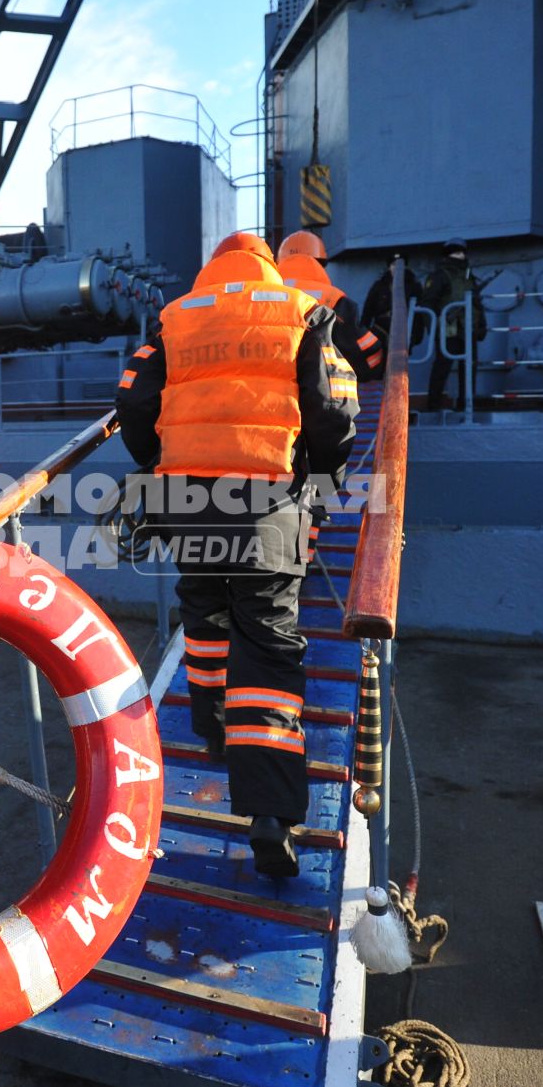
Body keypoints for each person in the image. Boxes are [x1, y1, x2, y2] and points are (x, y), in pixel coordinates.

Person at [114, 231, 358, 877]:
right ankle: (270, 812)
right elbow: (334, 407)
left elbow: (133, 398)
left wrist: (157, 462)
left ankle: (215, 727)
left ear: (214, 266)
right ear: (266, 266)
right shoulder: (300, 311)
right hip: (269, 499)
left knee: (205, 614)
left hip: (185, 496)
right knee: (269, 641)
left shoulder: (175, 318)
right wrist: (322, 476)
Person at [275, 230, 388, 383]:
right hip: (319, 397)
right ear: (321, 263)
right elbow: (363, 360)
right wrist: (382, 334)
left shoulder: (261, 296)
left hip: (269, 395)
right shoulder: (334, 300)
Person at [421, 239, 479, 411]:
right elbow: (428, 304)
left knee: (469, 368)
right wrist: (434, 328)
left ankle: (466, 406)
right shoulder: (440, 276)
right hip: (448, 328)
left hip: (467, 328)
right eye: (456, 253)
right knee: (442, 366)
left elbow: (476, 303)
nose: (460, 256)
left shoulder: (468, 276)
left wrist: (480, 325)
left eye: (462, 253)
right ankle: (433, 405)